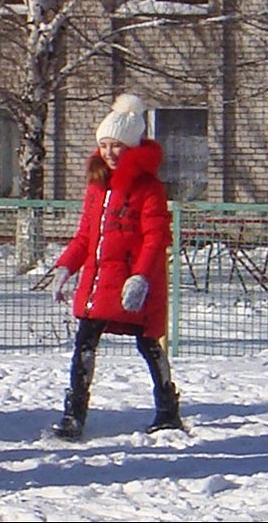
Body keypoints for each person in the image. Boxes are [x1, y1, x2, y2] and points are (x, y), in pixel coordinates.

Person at [47, 93, 184, 441]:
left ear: (133, 147)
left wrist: (140, 277)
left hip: (134, 283)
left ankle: (167, 409)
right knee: (85, 344)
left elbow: (156, 238)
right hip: (98, 282)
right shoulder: (96, 187)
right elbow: (85, 236)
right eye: (104, 145)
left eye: (117, 146)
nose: (109, 152)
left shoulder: (148, 188)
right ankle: (74, 413)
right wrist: (66, 267)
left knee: (149, 343)